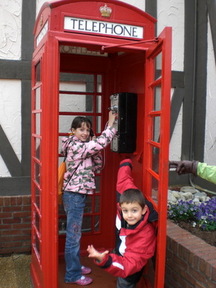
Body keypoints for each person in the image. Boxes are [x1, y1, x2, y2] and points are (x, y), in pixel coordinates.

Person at [61, 111, 117, 286]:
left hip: (79, 193)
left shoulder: (85, 146)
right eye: (81, 129)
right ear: (73, 131)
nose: (84, 133)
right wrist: (111, 125)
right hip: (74, 195)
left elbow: (98, 166)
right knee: (73, 236)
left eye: (87, 130)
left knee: (75, 235)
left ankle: (75, 266)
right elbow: (101, 142)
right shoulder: (75, 146)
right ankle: (72, 275)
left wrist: (96, 150)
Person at [87, 159, 158, 288]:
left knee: (124, 284)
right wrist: (126, 163)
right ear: (120, 206)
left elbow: (127, 266)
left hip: (130, 269)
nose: (129, 215)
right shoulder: (127, 196)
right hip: (121, 251)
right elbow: (123, 180)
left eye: (134, 211)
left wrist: (105, 261)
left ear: (144, 210)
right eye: (125, 211)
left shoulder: (144, 235)